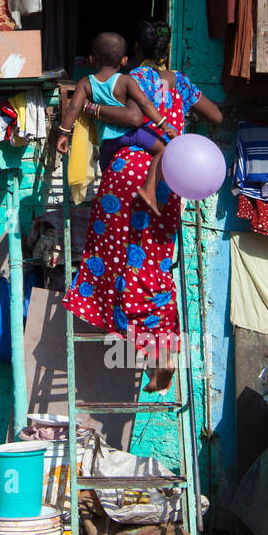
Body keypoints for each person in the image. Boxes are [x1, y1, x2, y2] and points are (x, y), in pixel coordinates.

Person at [63, 21, 222, 392]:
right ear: (167, 49)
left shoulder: (124, 79)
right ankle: (160, 350)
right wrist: (181, 127)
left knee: (112, 254)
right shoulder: (179, 82)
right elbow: (215, 116)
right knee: (154, 262)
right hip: (167, 177)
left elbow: (132, 119)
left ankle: (125, 330)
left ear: (134, 49)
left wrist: (87, 110)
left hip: (125, 173)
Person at [57, 32, 177, 217]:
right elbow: (145, 104)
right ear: (124, 60)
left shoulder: (85, 83)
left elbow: (73, 107)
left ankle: (110, 209)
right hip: (130, 134)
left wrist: (63, 134)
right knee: (163, 149)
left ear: (91, 59)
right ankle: (149, 189)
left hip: (107, 144)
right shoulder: (125, 81)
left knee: (107, 179)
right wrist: (164, 125)